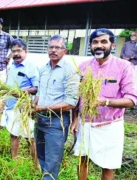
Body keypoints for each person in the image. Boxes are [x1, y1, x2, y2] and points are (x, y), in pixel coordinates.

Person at [71, 29, 137, 180]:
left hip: (109, 125)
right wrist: (75, 119)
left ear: (112, 45)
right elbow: (77, 97)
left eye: (103, 42)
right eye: (95, 42)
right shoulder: (83, 67)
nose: (99, 45)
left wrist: (104, 102)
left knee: (108, 166)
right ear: (90, 45)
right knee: (82, 160)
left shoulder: (124, 66)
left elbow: (132, 99)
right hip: (85, 123)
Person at [33, 34, 80, 180]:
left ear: (64, 51)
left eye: (57, 48)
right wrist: (34, 105)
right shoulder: (43, 69)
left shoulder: (70, 71)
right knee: (42, 157)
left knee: (52, 163)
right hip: (40, 121)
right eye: (51, 47)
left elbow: (71, 102)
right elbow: (39, 93)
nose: (53, 50)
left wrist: (42, 108)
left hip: (56, 123)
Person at [0, 39, 39, 168]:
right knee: (14, 134)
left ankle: (36, 165)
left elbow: (37, 88)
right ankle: (14, 161)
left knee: (31, 137)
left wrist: (21, 92)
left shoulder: (31, 67)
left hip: (24, 108)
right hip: (11, 106)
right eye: (14, 51)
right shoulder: (12, 66)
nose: (16, 53)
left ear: (25, 51)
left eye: (19, 51)